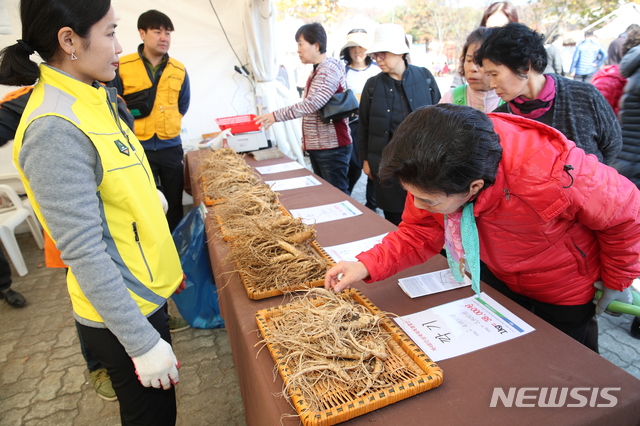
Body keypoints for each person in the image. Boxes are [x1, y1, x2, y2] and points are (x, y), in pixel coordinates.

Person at [325, 104, 640, 352]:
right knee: (510, 355)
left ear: (474, 187)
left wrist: (617, 279)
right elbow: (419, 231)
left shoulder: (552, 172)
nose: (417, 205)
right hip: (494, 273)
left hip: (562, 290)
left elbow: (628, 214)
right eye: (412, 195)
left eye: (427, 201)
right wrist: (366, 264)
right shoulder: (434, 172)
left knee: (561, 360)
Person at [1, 1, 184, 424]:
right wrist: (140, 343)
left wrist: (148, 201)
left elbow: (114, 184)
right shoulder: (54, 129)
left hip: (141, 290)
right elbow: (83, 251)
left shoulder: (96, 97)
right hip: (123, 311)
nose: (120, 46)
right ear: (69, 41)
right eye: (110, 32)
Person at [476, 23, 622, 165]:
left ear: (525, 66)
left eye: (494, 74)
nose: (492, 84)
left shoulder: (585, 96)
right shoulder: (502, 119)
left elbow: (612, 145)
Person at [110, 9, 190, 232]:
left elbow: (182, 105)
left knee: (174, 201)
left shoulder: (179, 69)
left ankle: (176, 245)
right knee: (144, 200)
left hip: (170, 146)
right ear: (142, 33)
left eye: (168, 33)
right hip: (137, 147)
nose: (164, 38)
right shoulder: (122, 66)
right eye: (157, 32)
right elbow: (114, 104)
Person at [255, 23, 353, 195]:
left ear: (316, 45)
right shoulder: (319, 69)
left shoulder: (328, 69)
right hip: (321, 145)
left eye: (300, 44)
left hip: (331, 146)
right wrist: (306, 141)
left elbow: (312, 104)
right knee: (327, 194)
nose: (298, 50)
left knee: (337, 195)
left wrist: (275, 116)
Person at [358, 23, 441, 226]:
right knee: (394, 218)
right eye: (375, 55)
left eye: (383, 54)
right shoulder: (372, 85)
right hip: (386, 165)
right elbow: (364, 125)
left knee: (426, 217)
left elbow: (440, 117)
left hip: (423, 165)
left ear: (399, 52)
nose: (378, 59)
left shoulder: (425, 77)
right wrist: (365, 160)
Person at [340, 28, 380, 208]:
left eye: (361, 46)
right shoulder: (342, 72)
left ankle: (371, 207)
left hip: (377, 128)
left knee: (376, 171)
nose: (357, 51)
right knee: (354, 168)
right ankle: (345, 203)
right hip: (352, 127)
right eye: (353, 46)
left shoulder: (378, 71)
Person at [451, 1, 518, 89]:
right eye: (489, 28)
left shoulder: (523, 66)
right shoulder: (470, 64)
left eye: (500, 30)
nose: (493, 35)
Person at [439, 27, 502, 113]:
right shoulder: (451, 98)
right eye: (469, 60)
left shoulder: (510, 103)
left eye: (480, 62)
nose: (473, 68)